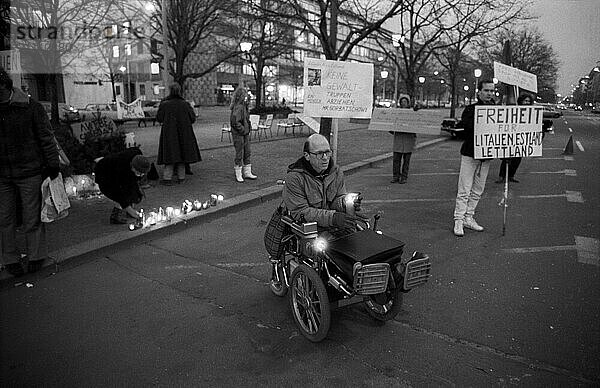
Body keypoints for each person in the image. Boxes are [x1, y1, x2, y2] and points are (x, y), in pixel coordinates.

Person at [0, 67, 59, 276]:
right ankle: (10, 259)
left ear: (4, 85)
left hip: (29, 170)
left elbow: (46, 136)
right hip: (3, 174)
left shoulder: (29, 107)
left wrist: (53, 164)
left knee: (31, 217)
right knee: (5, 219)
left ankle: (35, 256)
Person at [282, 134, 363, 238]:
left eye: (327, 152)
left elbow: (336, 200)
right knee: (329, 250)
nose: (325, 158)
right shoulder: (295, 178)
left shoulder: (336, 172)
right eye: (319, 153)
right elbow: (300, 212)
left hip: (331, 224)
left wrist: (344, 203)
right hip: (309, 229)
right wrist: (333, 218)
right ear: (307, 155)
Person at [453, 79, 496, 237]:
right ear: (479, 92)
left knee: (478, 189)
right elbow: (466, 129)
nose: (489, 93)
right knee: (464, 188)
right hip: (471, 153)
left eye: (492, 91)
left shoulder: (497, 110)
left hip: (486, 155)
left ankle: (468, 217)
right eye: (486, 90)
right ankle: (458, 219)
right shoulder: (471, 109)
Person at [156, 83, 201, 185]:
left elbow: (159, 118)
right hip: (184, 133)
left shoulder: (165, 104)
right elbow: (193, 119)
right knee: (182, 154)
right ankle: (182, 177)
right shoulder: (185, 104)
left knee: (170, 154)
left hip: (169, 133)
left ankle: (167, 178)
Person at [94, 148, 151, 224]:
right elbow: (119, 192)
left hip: (119, 169)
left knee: (135, 194)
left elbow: (133, 182)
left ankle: (130, 209)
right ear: (132, 167)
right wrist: (130, 210)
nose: (141, 175)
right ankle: (115, 216)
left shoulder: (138, 158)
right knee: (122, 194)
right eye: (139, 173)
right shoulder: (121, 169)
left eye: (143, 174)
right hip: (104, 175)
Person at [496, 93, 533, 184]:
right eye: (525, 101)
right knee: (506, 158)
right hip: (511, 137)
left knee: (517, 159)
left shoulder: (532, 112)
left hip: (522, 139)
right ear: (521, 101)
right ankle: (502, 176)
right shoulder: (514, 110)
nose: (527, 103)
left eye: (528, 101)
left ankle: (511, 176)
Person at [230, 86, 257, 183]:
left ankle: (246, 172)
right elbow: (235, 122)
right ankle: (240, 173)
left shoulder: (243, 106)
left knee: (247, 151)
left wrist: (246, 129)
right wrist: (243, 130)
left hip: (243, 132)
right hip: (240, 134)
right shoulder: (239, 107)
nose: (246, 97)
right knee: (240, 153)